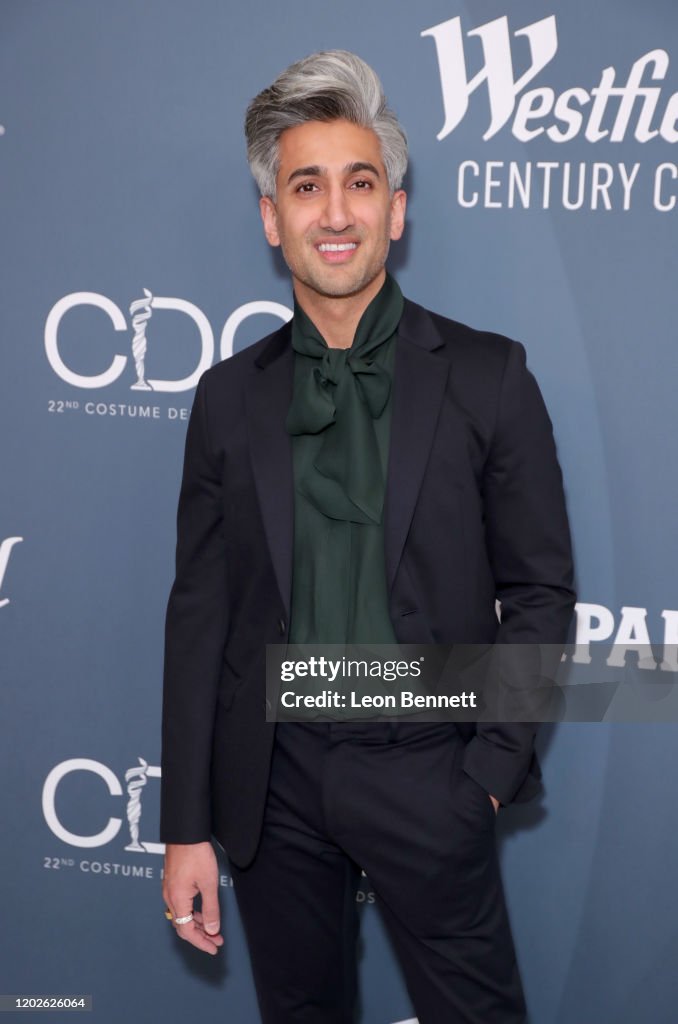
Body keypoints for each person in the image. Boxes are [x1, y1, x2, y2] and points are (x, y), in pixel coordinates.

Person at [160, 50, 576, 1023]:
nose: (335, 213)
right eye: (307, 187)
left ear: (397, 208)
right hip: (274, 784)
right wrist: (186, 827)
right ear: (273, 218)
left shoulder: (488, 376)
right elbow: (199, 616)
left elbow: (544, 592)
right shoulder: (228, 398)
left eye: (361, 183)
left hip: (430, 763)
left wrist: (483, 774)